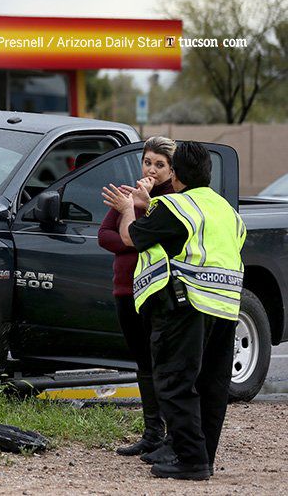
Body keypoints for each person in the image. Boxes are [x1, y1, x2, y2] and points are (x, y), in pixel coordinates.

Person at [103, 141, 246, 481]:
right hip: (226, 309)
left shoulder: (175, 206)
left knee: (174, 382)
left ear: (176, 174)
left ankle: (191, 460)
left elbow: (131, 238)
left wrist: (128, 209)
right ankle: (202, 457)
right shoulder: (226, 210)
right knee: (212, 386)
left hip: (186, 306)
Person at [98, 136, 175, 457]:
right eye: (147, 162)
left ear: (172, 170)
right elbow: (104, 236)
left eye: (160, 165)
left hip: (158, 290)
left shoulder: (173, 200)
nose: (151, 170)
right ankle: (152, 433)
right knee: (143, 362)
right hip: (125, 289)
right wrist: (131, 239)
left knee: (165, 363)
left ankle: (173, 437)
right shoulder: (127, 196)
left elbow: (159, 241)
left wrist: (136, 224)